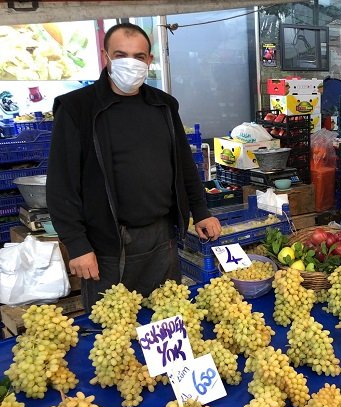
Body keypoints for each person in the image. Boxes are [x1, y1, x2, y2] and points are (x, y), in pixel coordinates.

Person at [46, 23, 221, 311]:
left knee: (166, 320)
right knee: (113, 332)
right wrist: (77, 245)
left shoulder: (163, 106)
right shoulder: (77, 108)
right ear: (106, 57)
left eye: (139, 56)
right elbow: (61, 184)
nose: (131, 63)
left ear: (149, 60)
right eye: (121, 54)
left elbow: (184, 165)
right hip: (107, 245)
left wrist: (200, 211)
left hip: (161, 237)